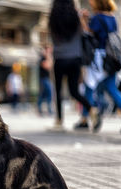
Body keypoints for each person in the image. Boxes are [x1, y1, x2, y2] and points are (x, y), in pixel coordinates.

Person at [80, 0, 121, 133]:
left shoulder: (97, 18)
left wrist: (83, 19)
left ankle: (86, 118)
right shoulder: (112, 17)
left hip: (99, 57)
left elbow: (89, 33)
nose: (90, 3)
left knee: (88, 86)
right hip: (111, 58)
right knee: (111, 88)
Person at [49, 0, 97, 129]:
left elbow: (52, 39)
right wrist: (82, 18)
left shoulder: (53, 19)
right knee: (74, 91)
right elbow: (84, 34)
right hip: (75, 59)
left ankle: (59, 120)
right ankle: (91, 109)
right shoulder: (76, 19)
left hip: (59, 58)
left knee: (58, 91)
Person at [38, 46, 53, 116]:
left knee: (45, 94)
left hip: (47, 79)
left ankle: (45, 109)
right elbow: (48, 66)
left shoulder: (46, 58)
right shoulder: (42, 58)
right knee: (47, 93)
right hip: (43, 79)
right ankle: (44, 109)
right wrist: (48, 57)